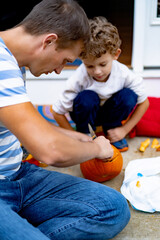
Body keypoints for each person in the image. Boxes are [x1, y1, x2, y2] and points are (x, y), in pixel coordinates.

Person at [0, 2, 130, 239]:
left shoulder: (12, 62)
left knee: (113, 207)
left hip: (17, 176)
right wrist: (94, 148)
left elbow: (26, 127)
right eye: (66, 60)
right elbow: (50, 152)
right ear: (48, 41)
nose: (61, 70)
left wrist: (73, 136)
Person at [52, 16, 149, 152]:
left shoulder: (123, 73)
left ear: (116, 54)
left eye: (103, 64)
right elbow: (57, 112)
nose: (97, 71)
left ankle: (112, 130)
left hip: (111, 114)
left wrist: (124, 129)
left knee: (128, 96)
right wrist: (75, 137)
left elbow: (144, 103)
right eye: (90, 66)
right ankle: (85, 132)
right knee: (87, 97)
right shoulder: (79, 78)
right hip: (86, 113)